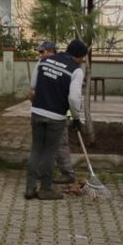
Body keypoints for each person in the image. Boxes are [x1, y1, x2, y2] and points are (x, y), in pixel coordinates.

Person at [27, 38, 88, 200]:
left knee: (36, 150)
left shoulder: (44, 61)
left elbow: (33, 85)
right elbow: (74, 98)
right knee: (49, 152)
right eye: (83, 57)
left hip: (37, 111)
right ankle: (45, 190)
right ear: (78, 56)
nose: (83, 61)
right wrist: (76, 118)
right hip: (56, 116)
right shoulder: (76, 70)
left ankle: (30, 188)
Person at [29, 40, 76, 185]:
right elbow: (32, 89)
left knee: (58, 144)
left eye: (42, 52)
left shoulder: (45, 64)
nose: (40, 55)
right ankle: (44, 174)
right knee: (46, 144)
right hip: (49, 110)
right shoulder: (44, 63)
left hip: (57, 112)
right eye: (39, 52)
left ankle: (66, 173)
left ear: (51, 52)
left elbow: (32, 87)